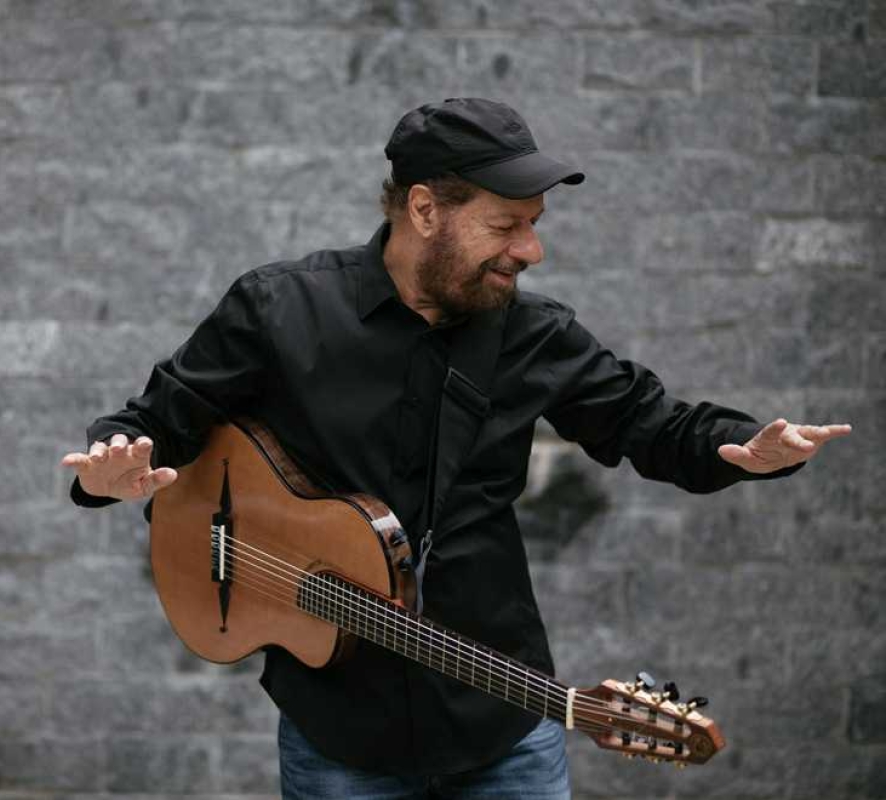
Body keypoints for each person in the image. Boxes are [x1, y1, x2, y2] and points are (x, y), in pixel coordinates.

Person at [60, 98, 851, 800]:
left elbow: (654, 423)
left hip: (502, 718)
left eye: (535, 224)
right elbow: (155, 422)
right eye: (506, 226)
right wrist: (112, 467)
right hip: (337, 732)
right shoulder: (279, 308)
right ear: (425, 209)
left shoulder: (535, 335)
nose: (530, 250)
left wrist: (740, 446)